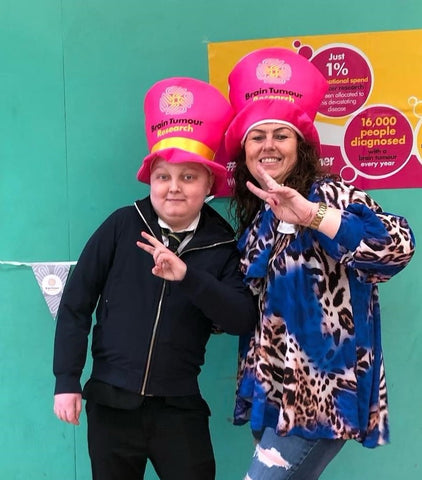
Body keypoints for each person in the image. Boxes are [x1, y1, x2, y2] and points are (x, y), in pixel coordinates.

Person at [223, 47, 416, 480]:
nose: (268, 145)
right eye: (257, 136)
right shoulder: (257, 222)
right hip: (272, 397)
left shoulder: (332, 196)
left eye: (281, 135)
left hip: (321, 398)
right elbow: (241, 306)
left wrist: (312, 216)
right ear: (245, 152)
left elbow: (397, 248)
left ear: (301, 146)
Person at [53, 76, 257, 480]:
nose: (174, 188)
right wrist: (66, 380)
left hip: (178, 406)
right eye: (164, 176)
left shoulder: (221, 244)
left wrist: (188, 277)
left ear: (208, 185)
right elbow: (76, 304)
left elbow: (242, 318)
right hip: (111, 403)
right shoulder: (122, 224)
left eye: (188, 177)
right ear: (151, 181)